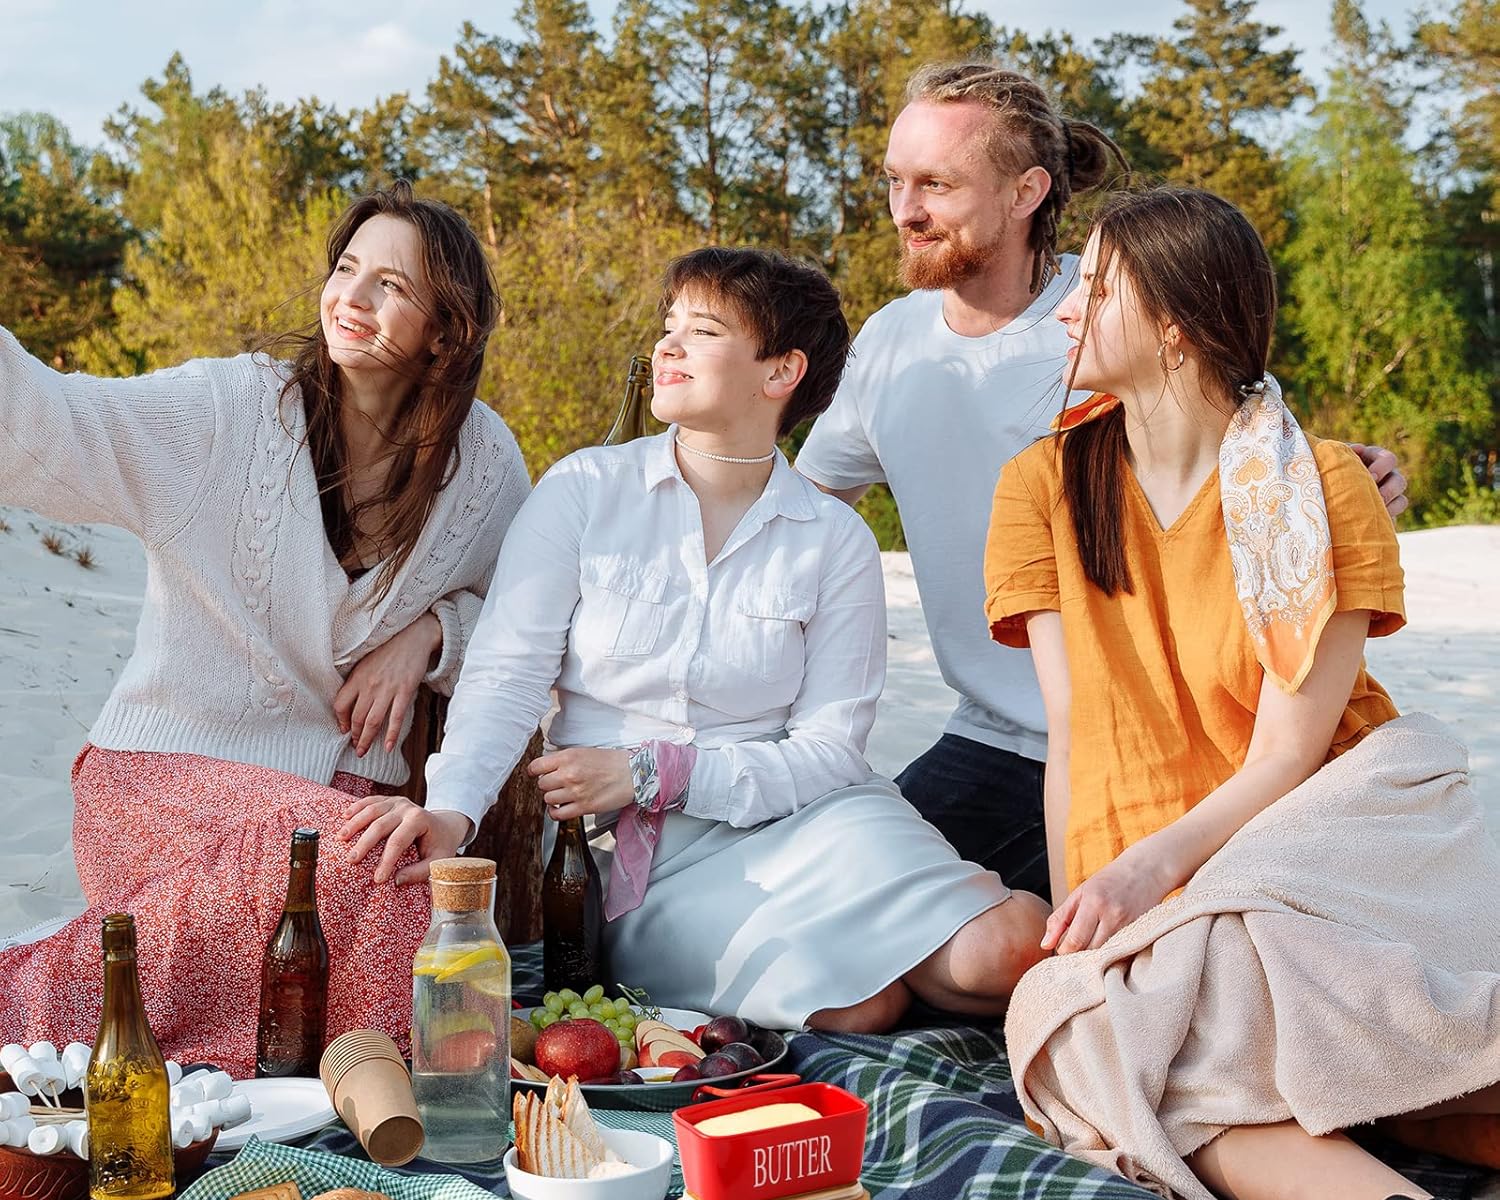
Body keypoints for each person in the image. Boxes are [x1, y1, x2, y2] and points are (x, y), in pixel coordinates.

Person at [985, 184, 1500, 1200]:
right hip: (1166, 867)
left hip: (1337, 825)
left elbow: (1290, 754)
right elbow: (1074, 734)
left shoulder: (1317, 484)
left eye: (1096, 286)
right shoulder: (1042, 488)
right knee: (1096, 1036)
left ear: (1173, 321)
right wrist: (1087, 927)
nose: (1067, 312)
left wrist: (1153, 882)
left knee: (1250, 1014)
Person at [342, 247, 1048, 1034]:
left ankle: (1068, 938)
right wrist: (452, 813)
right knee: (858, 1005)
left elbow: (829, 751)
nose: (667, 346)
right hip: (640, 863)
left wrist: (654, 772)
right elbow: (507, 676)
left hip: (814, 820)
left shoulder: (834, 539)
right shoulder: (584, 490)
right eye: (668, 326)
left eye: (702, 330)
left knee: (1006, 950)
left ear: (779, 372)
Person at [796, 59, 1409, 900]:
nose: (906, 208)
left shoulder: (1115, 319)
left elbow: (1237, 435)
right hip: (995, 735)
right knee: (857, 920)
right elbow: (804, 512)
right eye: (896, 180)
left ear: (1025, 192)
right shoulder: (890, 346)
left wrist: (1341, 472)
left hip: (1174, 734)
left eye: (935, 183)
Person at [0, 182, 530, 1075]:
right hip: (164, 785)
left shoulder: (483, 465)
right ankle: (21, 1013)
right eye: (345, 269)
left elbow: (531, 626)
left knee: (416, 916)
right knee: (387, 895)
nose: (349, 299)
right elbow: (55, 426)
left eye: (389, 286)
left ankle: (293, 1093)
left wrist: (433, 634)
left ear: (446, 330)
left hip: (344, 822)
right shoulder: (229, 411)